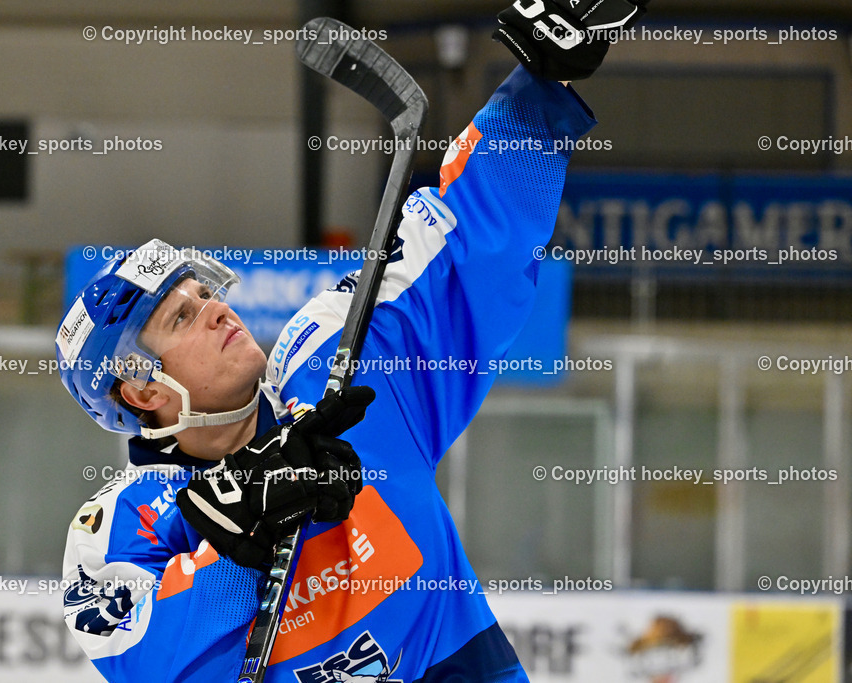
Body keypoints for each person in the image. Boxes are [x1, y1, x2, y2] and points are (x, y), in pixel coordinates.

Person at [56, 2, 650, 681]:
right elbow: (144, 657)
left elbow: (466, 253)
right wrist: (245, 531)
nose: (217, 311)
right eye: (181, 318)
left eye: (205, 295)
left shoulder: (339, 365)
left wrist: (538, 85)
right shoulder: (123, 525)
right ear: (140, 387)